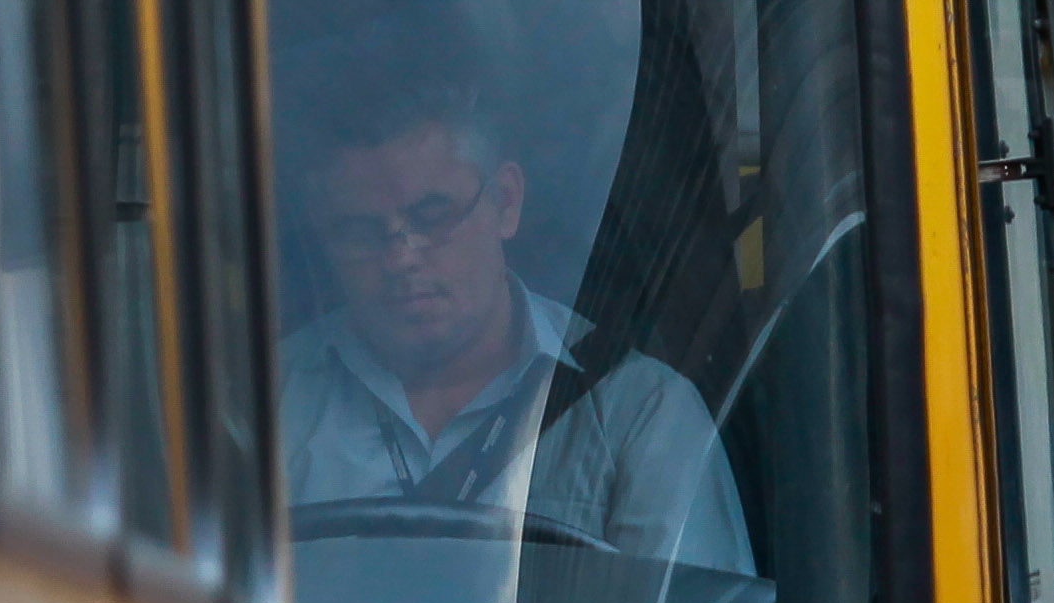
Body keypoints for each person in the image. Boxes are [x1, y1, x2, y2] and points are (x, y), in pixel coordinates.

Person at [277, 58, 748, 573]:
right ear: (322, 237)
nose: (400, 257)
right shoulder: (265, 404)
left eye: (432, 217)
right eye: (361, 233)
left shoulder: (639, 414)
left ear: (505, 201)